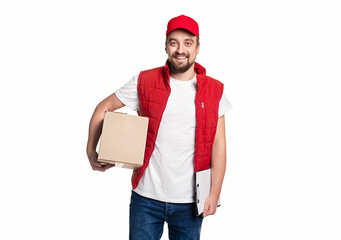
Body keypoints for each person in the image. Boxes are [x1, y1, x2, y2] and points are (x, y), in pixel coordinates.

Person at [86, 15, 232, 240]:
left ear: (198, 47)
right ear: (165, 46)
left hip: (190, 202)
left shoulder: (215, 90)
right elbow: (103, 108)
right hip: (145, 198)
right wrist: (91, 151)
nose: (180, 49)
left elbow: (219, 145)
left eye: (187, 43)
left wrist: (214, 192)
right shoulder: (144, 81)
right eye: (174, 42)